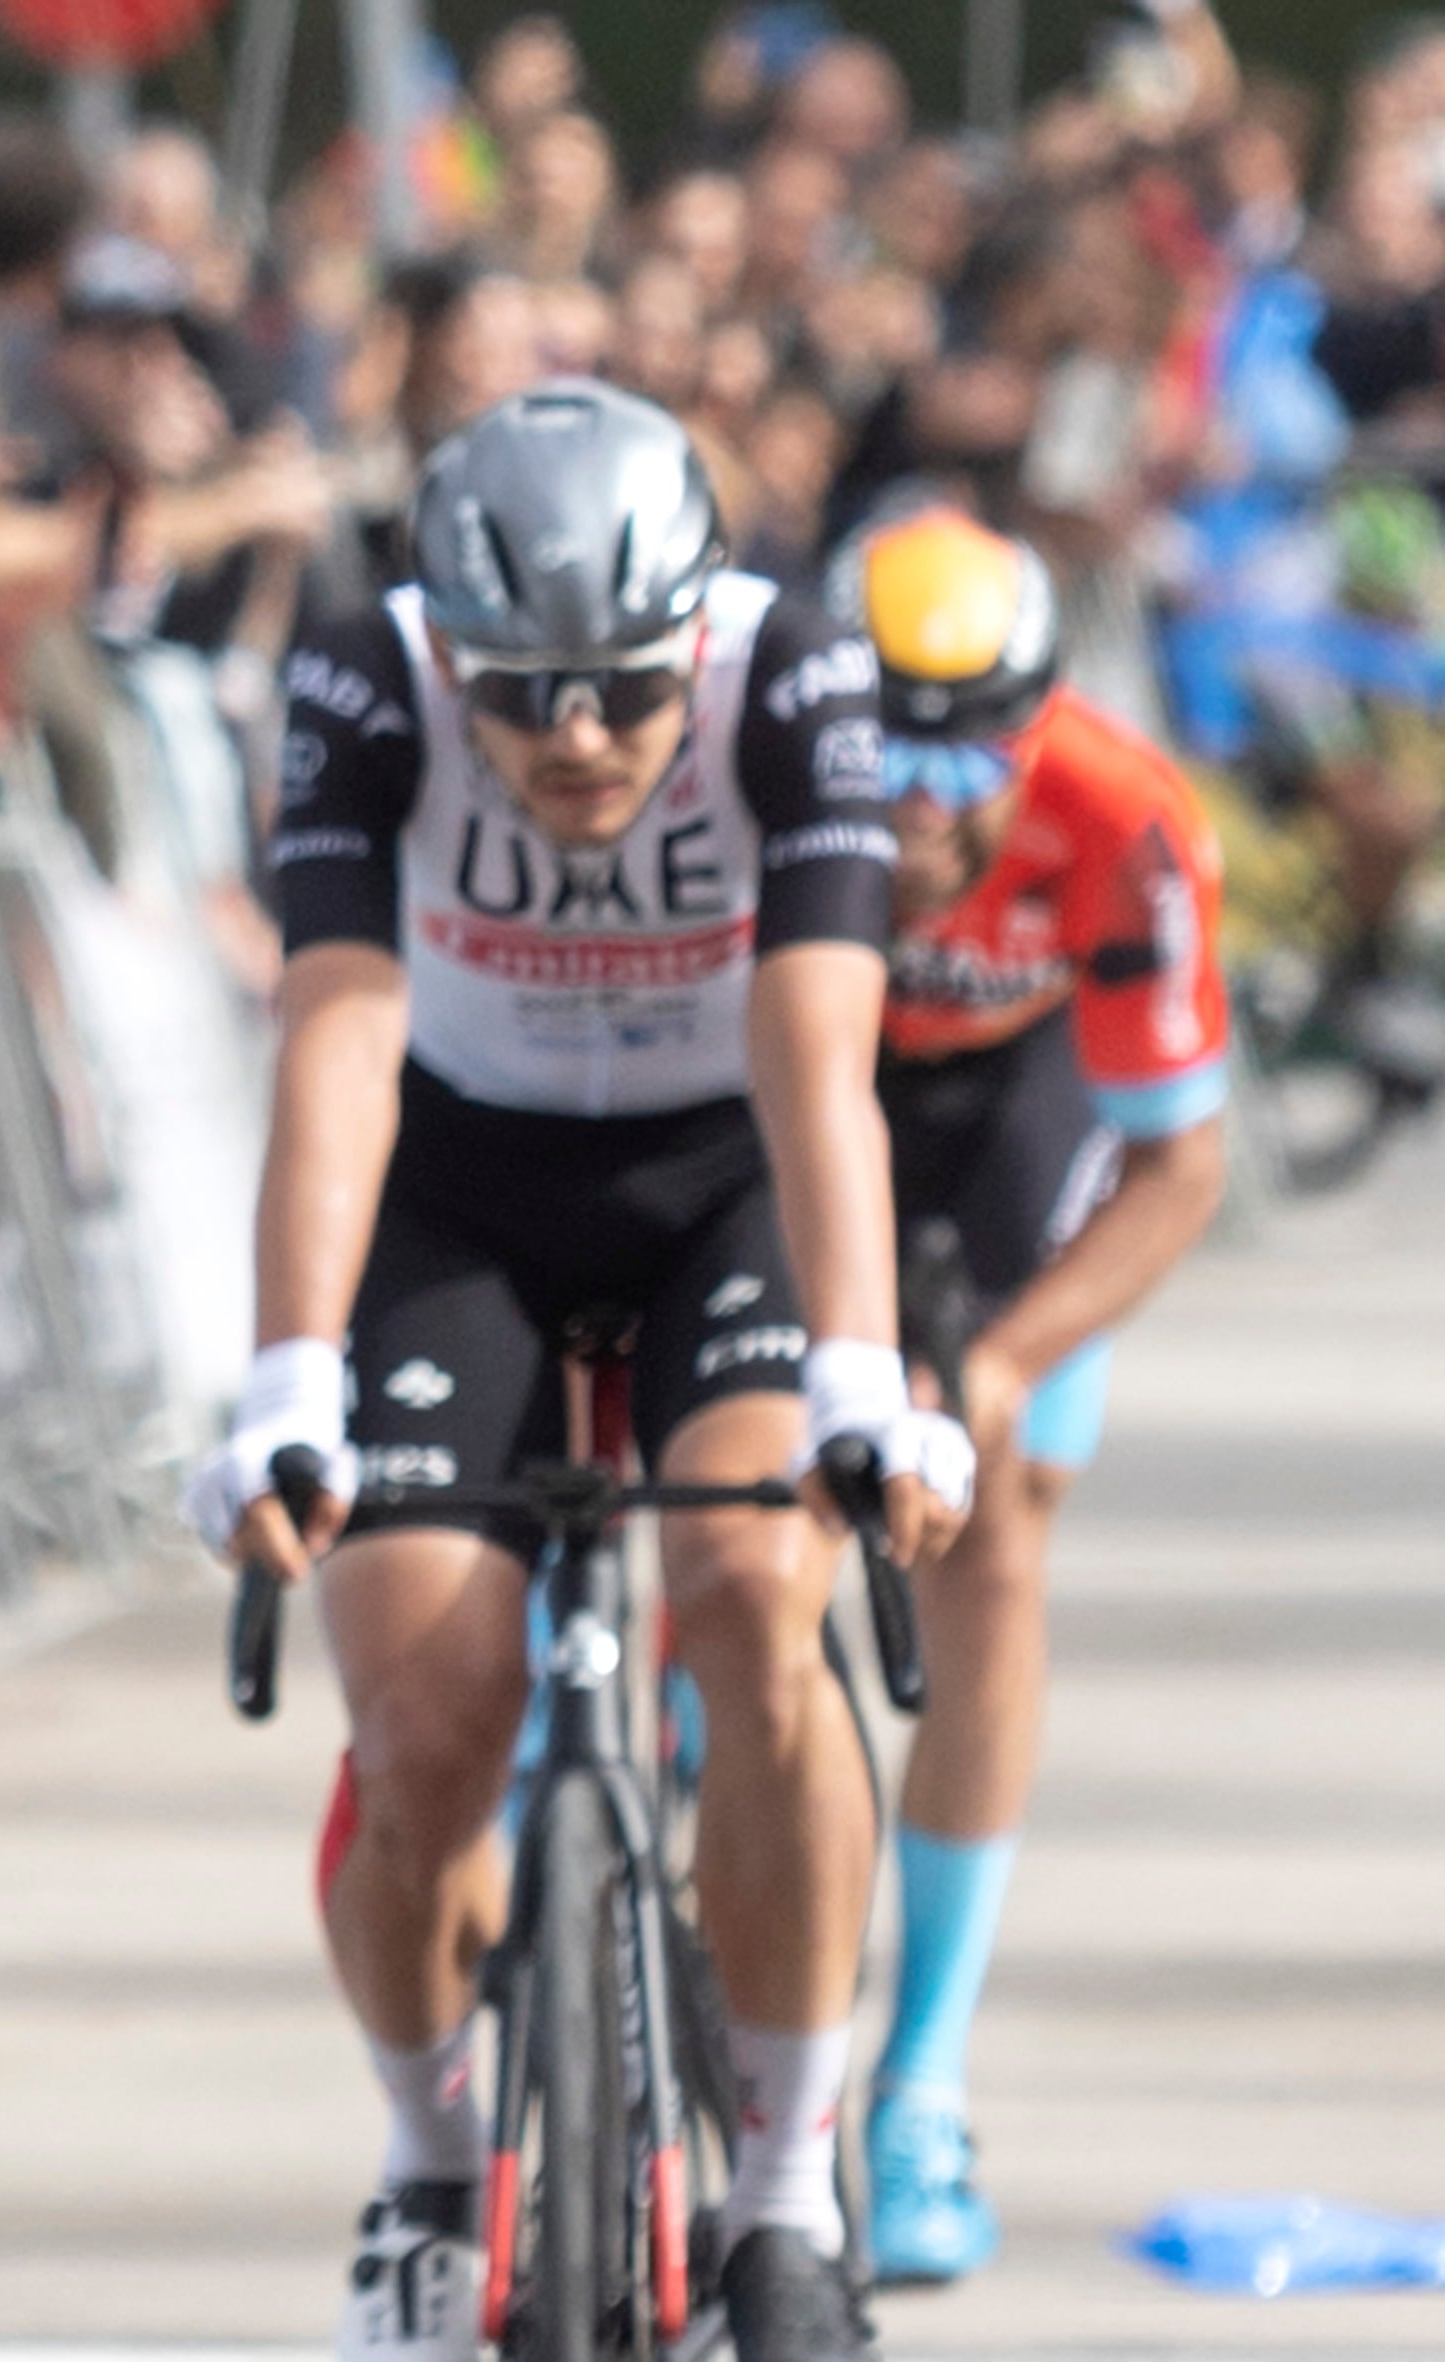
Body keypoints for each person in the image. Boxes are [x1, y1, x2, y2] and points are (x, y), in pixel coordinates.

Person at [187, 380, 973, 2362]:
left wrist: (863, 1373)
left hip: (726, 1178)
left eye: (621, 690)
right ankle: (429, 2156)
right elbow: (334, 1043)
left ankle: (788, 2185)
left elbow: (819, 1072)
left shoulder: (790, 673)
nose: (574, 740)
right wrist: (283, 1368)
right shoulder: (363, 682)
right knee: (425, 1704)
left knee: (751, 1599)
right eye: (519, 693)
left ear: (690, 636)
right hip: (457, 1181)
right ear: (446, 646)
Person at [834, 509, 1229, 2284]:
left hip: (1018, 1116)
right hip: (818, 1077)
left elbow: (1180, 1170)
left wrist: (996, 1361)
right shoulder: (770, 781)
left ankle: (922, 2077)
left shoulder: (1125, 816)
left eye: (968, 750)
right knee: (735, 1497)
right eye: (886, 746)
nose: (924, 801)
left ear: (1038, 723)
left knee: (994, 1534)